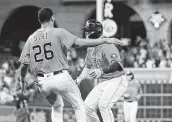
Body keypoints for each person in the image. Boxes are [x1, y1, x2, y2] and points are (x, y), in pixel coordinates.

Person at [18, 8, 124, 122]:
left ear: (39, 20)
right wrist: (104, 40)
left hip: (42, 82)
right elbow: (79, 43)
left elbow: (24, 65)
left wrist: (22, 79)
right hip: (59, 77)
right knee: (79, 104)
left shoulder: (31, 39)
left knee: (57, 106)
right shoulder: (58, 32)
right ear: (53, 18)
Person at [75, 19, 128, 122]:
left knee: (104, 105)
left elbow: (118, 65)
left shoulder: (107, 45)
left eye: (89, 30)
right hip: (103, 82)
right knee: (87, 107)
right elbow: (88, 66)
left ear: (97, 31)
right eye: (86, 30)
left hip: (117, 79)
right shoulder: (90, 47)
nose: (86, 33)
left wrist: (101, 70)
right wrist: (79, 78)